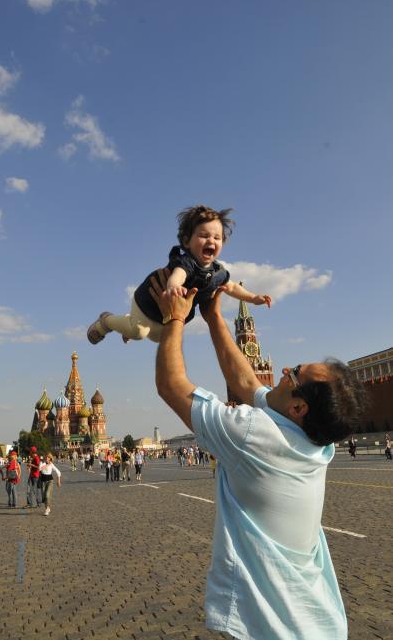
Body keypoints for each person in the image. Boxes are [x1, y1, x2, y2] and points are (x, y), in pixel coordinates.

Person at [151, 272, 368, 640]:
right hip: (321, 623)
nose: (285, 370)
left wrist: (174, 318)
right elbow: (247, 382)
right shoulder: (318, 443)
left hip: (279, 631)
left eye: (294, 374)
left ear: (299, 407)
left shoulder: (255, 435)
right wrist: (214, 316)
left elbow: (171, 385)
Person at [87, 205, 271, 345]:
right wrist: (174, 286)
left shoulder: (218, 271)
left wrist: (253, 297)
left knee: (159, 338)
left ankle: (126, 325)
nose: (211, 241)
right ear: (186, 241)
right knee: (139, 332)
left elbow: (232, 286)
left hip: (167, 313)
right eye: (204, 235)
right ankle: (106, 321)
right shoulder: (187, 262)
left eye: (217, 238)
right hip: (148, 302)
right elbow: (179, 274)